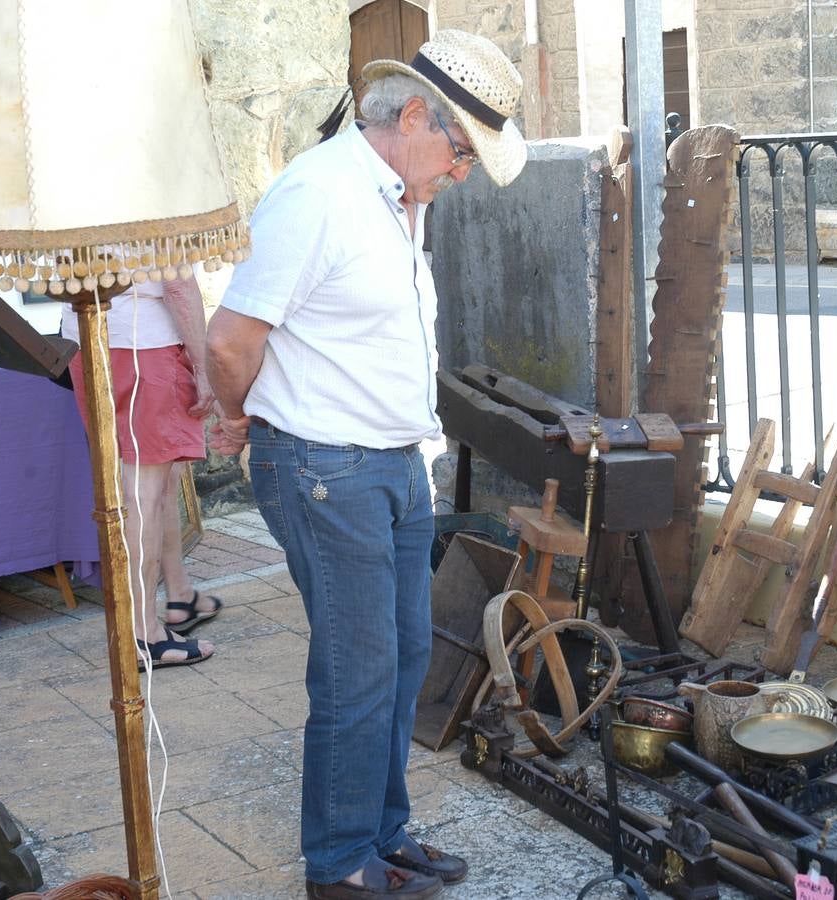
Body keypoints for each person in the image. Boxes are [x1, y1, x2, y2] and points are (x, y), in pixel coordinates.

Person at [204, 29, 527, 900]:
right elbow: (231, 340)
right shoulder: (317, 193)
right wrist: (232, 417)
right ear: (415, 116)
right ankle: (339, 864)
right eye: (461, 152)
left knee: (403, 654)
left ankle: (383, 834)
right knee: (357, 667)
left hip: (388, 459)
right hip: (324, 463)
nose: (462, 174)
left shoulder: (394, 196)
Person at [63, 274, 222, 669]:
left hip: (84, 336)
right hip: (144, 343)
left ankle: (173, 600)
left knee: (148, 485)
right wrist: (204, 368)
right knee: (143, 494)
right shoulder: (154, 210)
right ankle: (141, 634)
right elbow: (178, 285)